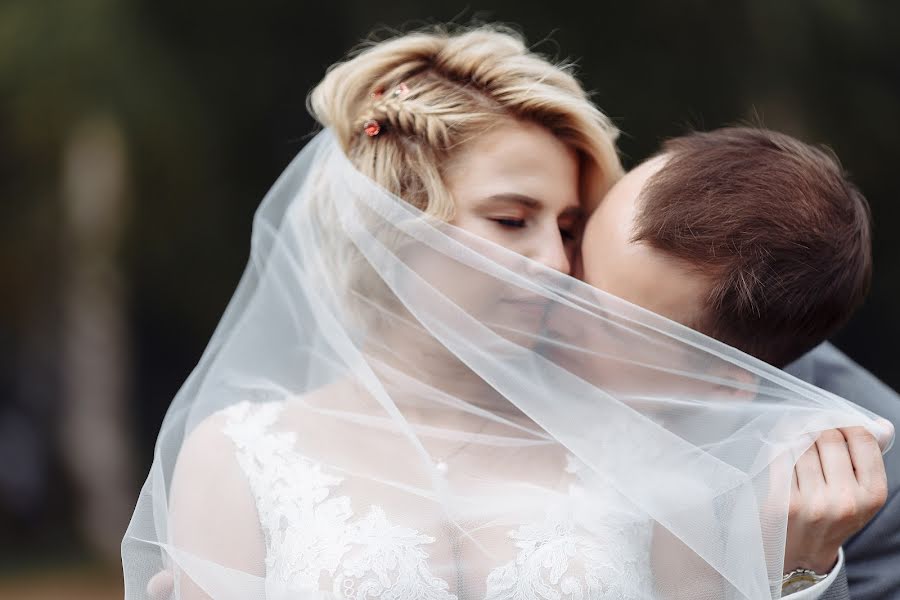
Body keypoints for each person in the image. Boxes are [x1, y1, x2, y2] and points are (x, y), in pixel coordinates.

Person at [123, 27, 889, 600]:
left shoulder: (660, 460)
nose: (559, 271)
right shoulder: (242, 454)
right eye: (511, 218)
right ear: (389, 221)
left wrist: (795, 576)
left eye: (565, 227)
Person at [578, 127, 896, 599]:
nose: (544, 293)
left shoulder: (881, 488)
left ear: (723, 381)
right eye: (576, 236)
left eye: (599, 317)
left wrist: (800, 573)